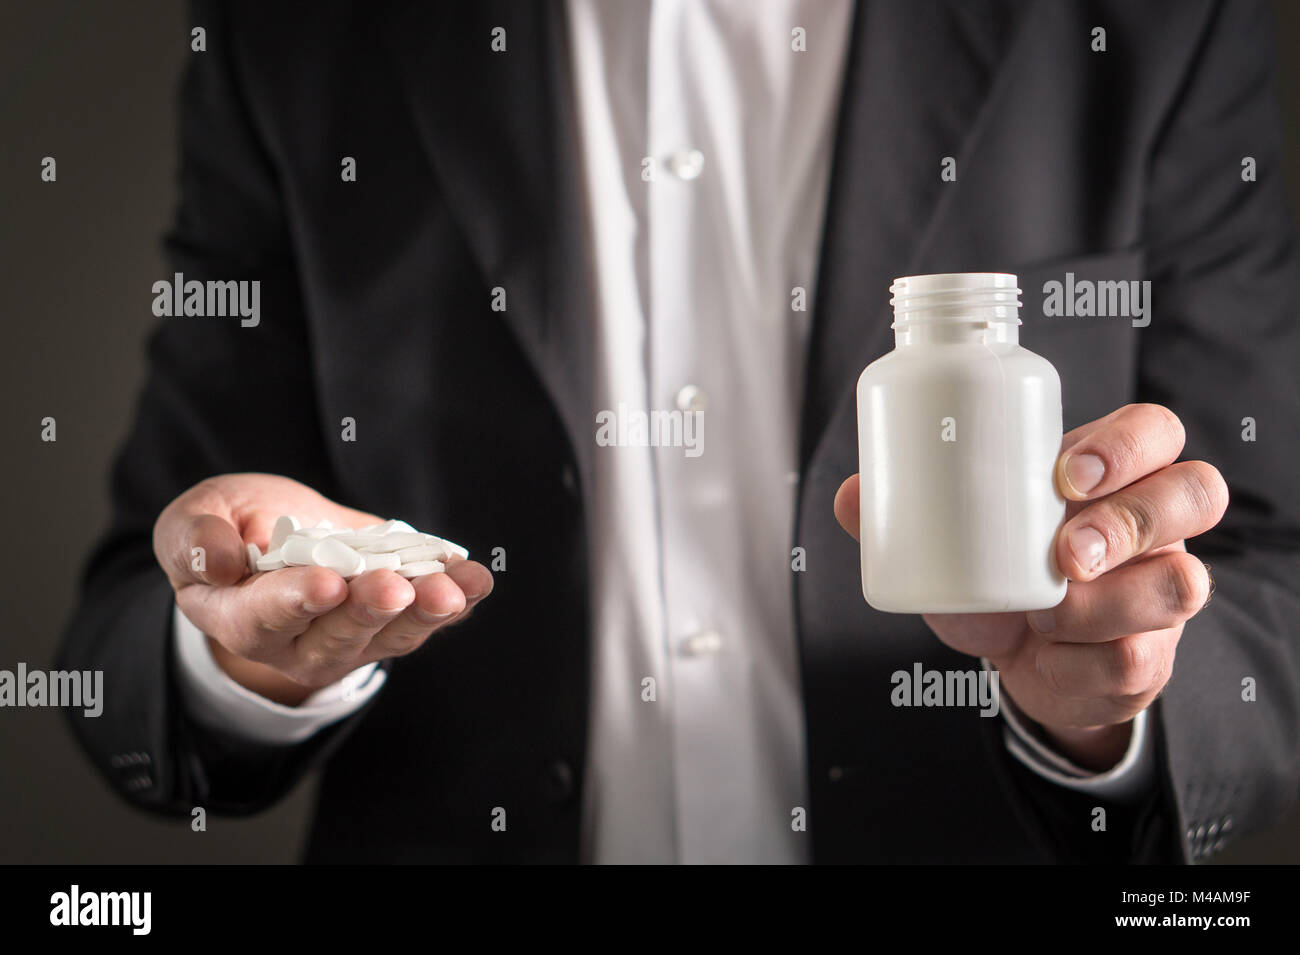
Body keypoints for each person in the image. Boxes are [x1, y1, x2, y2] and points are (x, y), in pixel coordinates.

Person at [59, 0, 1300, 863]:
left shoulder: (1157, 18)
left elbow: (1271, 582)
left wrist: (1110, 696)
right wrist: (247, 659)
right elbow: (121, 643)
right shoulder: (299, 30)